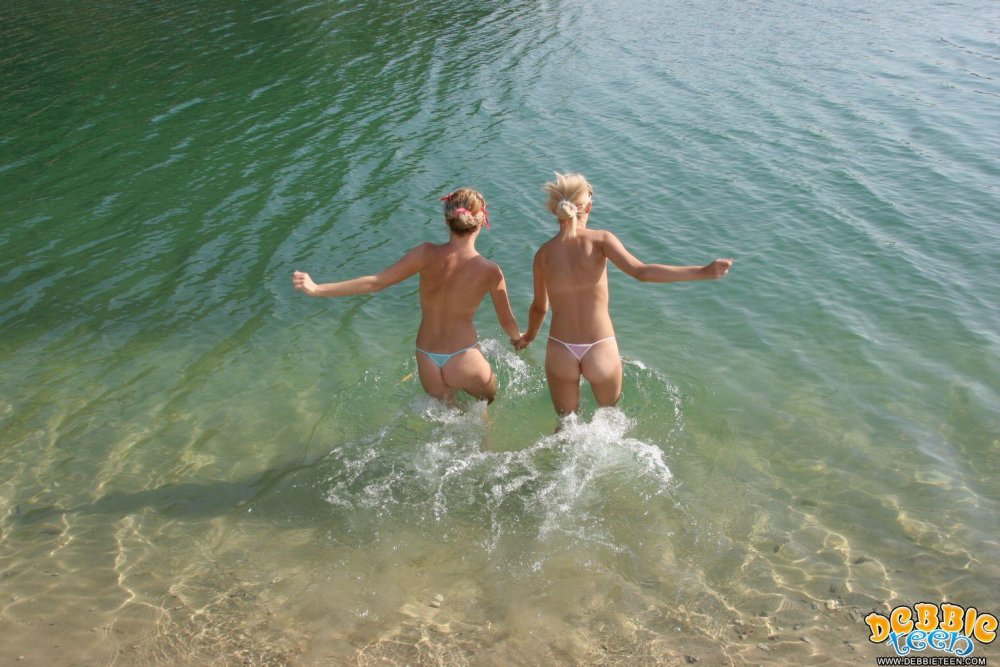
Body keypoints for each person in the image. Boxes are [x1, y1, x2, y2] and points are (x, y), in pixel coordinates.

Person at [515, 172, 733, 416]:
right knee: (610, 421)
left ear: (556, 210)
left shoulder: (543, 254)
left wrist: (528, 337)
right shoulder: (600, 240)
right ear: (588, 206)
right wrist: (702, 271)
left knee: (566, 424)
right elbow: (641, 272)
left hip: (560, 350)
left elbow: (539, 307)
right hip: (599, 347)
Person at [293, 188, 522, 404]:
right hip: (464, 357)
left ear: (447, 221)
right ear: (481, 222)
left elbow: (375, 282)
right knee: (487, 403)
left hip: (427, 358)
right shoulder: (489, 270)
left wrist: (317, 289)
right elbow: (507, 322)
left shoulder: (425, 253)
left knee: (449, 417)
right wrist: (519, 338)